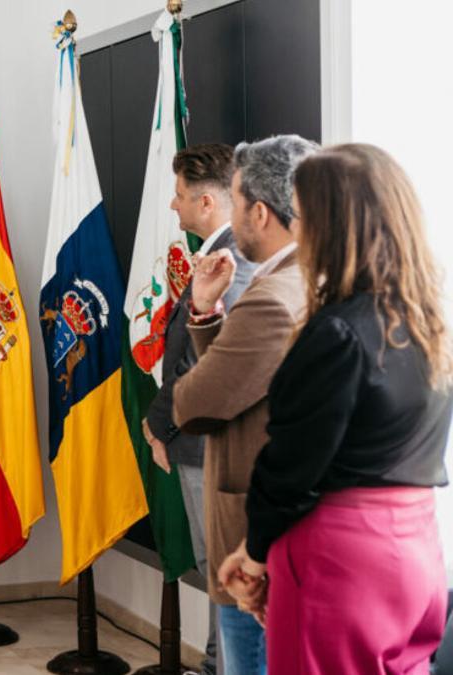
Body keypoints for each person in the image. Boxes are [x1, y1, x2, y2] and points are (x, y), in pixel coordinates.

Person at [218, 144, 451, 674]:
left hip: (340, 559)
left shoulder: (338, 332)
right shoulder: (427, 327)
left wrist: (254, 555)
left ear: (331, 223)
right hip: (416, 550)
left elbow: (292, 466)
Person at [171, 135, 318, 674]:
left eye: (233, 201)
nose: (230, 217)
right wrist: (206, 316)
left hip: (255, 536)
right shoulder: (306, 278)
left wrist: (207, 330)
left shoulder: (273, 296)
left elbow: (197, 403)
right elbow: (239, 382)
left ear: (259, 211)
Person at [141, 143, 254, 675]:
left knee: (220, 566)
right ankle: (215, 664)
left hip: (208, 442)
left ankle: (219, 667)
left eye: (180, 195)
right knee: (216, 567)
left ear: (207, 203)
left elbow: (200, 364)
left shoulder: (234, 260)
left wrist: (158, 423)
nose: (173, 206)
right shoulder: (224, 250)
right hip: (198, 437)